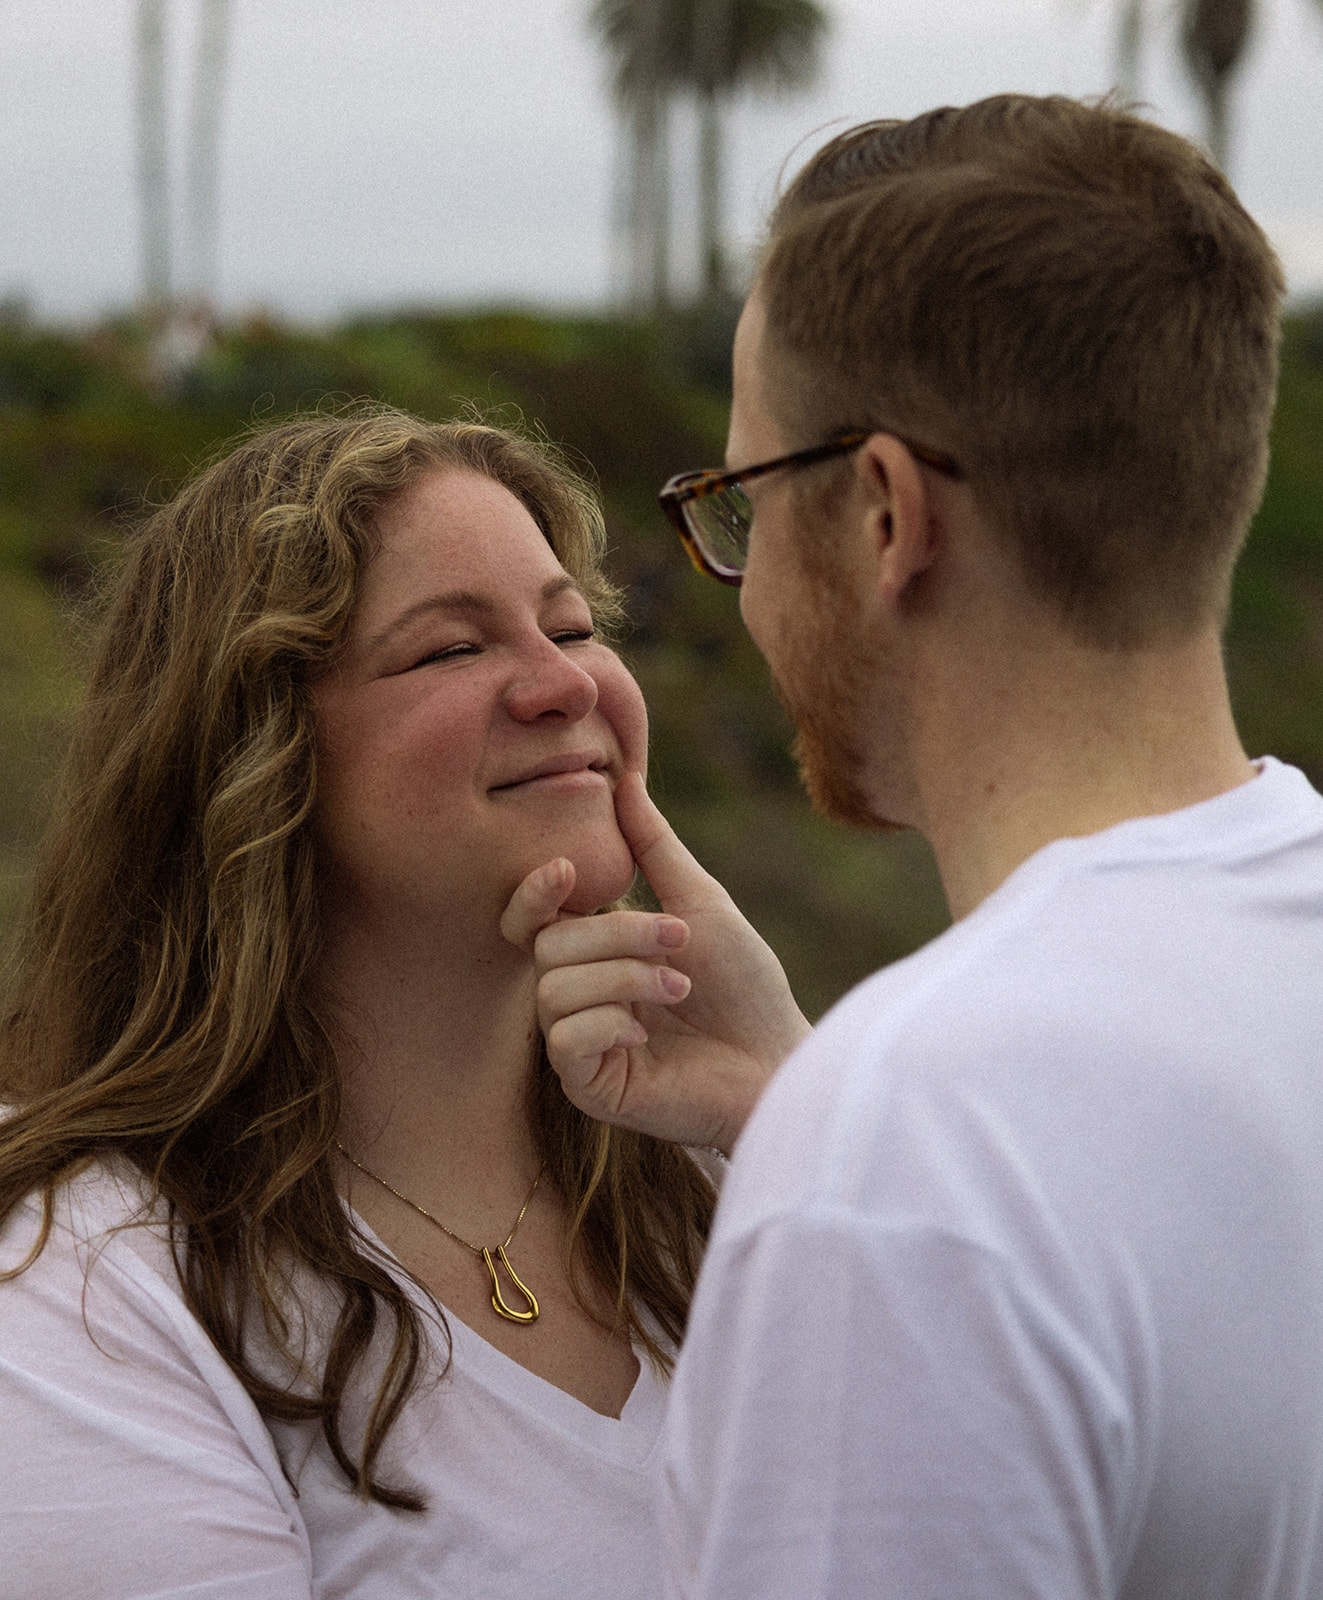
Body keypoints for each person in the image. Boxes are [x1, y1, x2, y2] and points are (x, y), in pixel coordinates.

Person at [514, 95, 1323, 1597]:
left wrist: (839, 1127)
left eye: (738, 505)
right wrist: (789, 1090)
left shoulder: (914, 1154)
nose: (740, 591)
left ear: (885, 514)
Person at [0, 406, 802, 1598]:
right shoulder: (97, 1290)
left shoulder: (730, 1167)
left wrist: (792, 1099)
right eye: (450, 649)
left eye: (574, 624)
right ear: (256, 759)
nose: (561, 680)